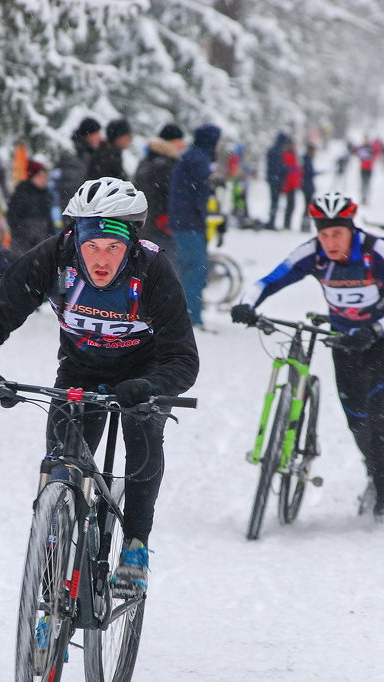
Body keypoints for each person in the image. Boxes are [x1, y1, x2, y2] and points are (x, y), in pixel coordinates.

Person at [0, 177, 199, 597]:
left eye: (113, 248)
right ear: (75, 239)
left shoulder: (153, 269)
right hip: (80, 370)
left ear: (131, 245)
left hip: (144, 372)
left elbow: (183, 358)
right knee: (61, 464)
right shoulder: (54, 256)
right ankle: (51, 579)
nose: (101, 259)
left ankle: (135, 546)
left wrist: (151, 385)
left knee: (142, 441)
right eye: (92, 246)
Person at [231, 191, 384, 523]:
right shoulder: (314, 254)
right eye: (323, 233)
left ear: (351, 229)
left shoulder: (376, 250)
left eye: (336, 233)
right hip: (345, 344)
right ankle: (376, 474)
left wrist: (375, 329)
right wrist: (247, 304)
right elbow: (269, 279)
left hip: (380, 341)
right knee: (357, 418)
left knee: (379, 414)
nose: (329, 241)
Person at [168, 123, 222, 329]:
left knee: (188, 267)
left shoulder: (193, 156)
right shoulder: (198, 159)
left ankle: (185, 314)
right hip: (189, 222)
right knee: (196, 268)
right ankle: (192, 317)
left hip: (185, 221)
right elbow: (201, 190)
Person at [134, 122, 186, 264]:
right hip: (160, 227)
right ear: (171, 142)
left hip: (146, 225)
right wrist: (166, 216)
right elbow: (164, 195)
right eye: (179, 141)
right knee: (165, 268)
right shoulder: (165, 164)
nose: (182, 145)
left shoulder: (149, 160)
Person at [51, 117, 102, 214]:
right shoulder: (75, 155)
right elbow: (72, 188)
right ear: (88, 135)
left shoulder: (88, 154)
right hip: (74, 211)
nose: (99, 137)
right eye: (97, 134)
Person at [6, 160, 54, 256]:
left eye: (45, 177)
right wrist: (25, 232)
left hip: (41, 243)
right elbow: (13, 217)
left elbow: (48, 221)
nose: (43, 180)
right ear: (32, 177)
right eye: (40, 176)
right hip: (23, 244)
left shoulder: (45, 195)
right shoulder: (22, 192)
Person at [265, 132, 289, 230]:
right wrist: (285, 170)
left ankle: (271, 221)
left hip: (273, 179)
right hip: (276, 180)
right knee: (275, 202)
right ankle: (271, 222)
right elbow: (278, 167)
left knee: (274, 202)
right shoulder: (278, 151)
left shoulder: (273, 150)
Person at [280, 137, 302, 230]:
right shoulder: (286, 155)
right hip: (289, 185)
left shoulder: (293, 155)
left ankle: (288, 223)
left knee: (292, 205)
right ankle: (286, 223)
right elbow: (288, 171)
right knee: (290, 205)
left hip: (293, 185)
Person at [300, 143, 317, 232]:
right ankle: (305, 225)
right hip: (307, 186)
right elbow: (308, 173)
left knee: (307, 206)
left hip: (307, 186)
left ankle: (305, 224)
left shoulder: (306, 159)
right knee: (307, 206)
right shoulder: (307, 160)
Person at [356, 135, 375, 204]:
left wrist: (366, 156)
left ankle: (366, 198)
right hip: (363, 167)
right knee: (362, 183)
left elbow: (373, 156)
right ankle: (362, 198)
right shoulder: (362, 147)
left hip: (369, 168)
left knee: (368, 183)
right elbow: (359, 155)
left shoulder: (371, 147)